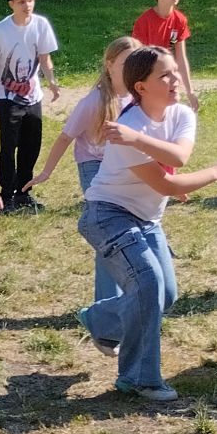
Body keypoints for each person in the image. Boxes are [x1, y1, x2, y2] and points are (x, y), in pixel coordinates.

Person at [74, 46, 217, 402]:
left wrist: (141, 141)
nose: (175, 79)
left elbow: (180, 154)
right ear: (141, 87)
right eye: (164, 75)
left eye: (174, 71)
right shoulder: (126, 128)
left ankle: (102, 320)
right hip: (107, 214)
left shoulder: (179, 114)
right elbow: (169, 182)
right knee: (148, 283)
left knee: (165, 295)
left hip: (148, 218)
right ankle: (140, 379)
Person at [31, 35, 136, 308]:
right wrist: (45, 173)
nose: (131, 68)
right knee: (109, 230)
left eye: (136, 62)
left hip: (124, 166)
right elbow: (66, 137)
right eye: (126, 62)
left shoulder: (138, 99)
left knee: (125, 229)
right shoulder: (94, 102)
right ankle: (107, 305)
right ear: (110, 65)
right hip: (94, 167)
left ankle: (127, 297)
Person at [0, 0, 61, 211]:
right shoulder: (1, 30)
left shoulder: (41, 25)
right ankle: (7, 196)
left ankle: (24, 193)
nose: (27, 5)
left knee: (31, 144)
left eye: (30, 1)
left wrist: (52, 83)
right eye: (21, 1)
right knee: (9, 145)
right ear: (11, 4)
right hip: (6, 96)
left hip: (33, 96)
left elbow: (45, 59)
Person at [130, 0, 198, 108]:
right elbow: (136, 57)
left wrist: (190, 91)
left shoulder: (180, 20)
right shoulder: (144, 21)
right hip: (148, 76)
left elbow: (181, 58)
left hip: (167, 74)